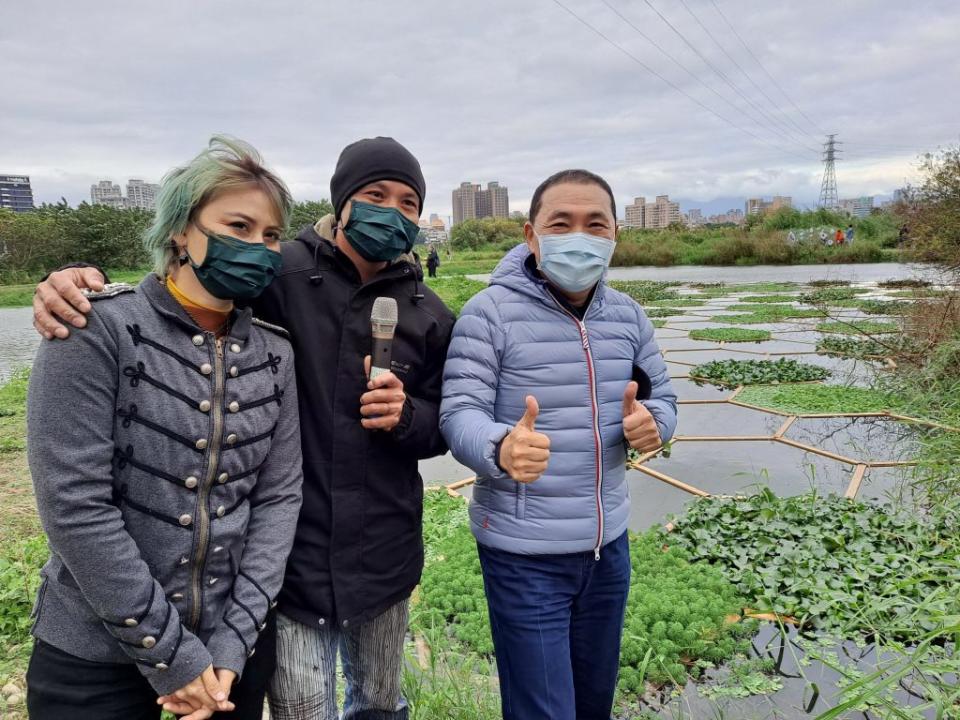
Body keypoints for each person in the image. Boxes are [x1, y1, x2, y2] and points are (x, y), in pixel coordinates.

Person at [32, 136, 455, 720]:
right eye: (376, 194)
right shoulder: (274, 278)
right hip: (261, 578)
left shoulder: (427, 310)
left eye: (410, 202)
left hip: (360, 560)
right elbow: (75, 501)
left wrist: (408, 417)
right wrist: (77, 280)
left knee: (381, 704)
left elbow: (445, 422)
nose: (256, 247)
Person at [26, 136, 303, 720]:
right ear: (181, 229)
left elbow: (278, 497)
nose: (257, 245)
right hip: (93, 653)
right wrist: (172, 658)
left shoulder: (276, 353)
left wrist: (232, 644)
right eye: (238, 226)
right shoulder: (94, 327)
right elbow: (75, 504)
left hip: (231, 651)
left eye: (270, 235)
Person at [439, 169, 678, 720]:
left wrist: (654, 425)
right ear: (531, 235)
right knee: (543, 710)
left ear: (616, 235)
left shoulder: (628, 317)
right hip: (525, 556)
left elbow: (662, 396)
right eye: (561, 223)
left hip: (606, 549)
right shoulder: (489, 314)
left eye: (595, 224)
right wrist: (501, 446)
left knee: (594, 702)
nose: (580, 236)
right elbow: (459, 414)